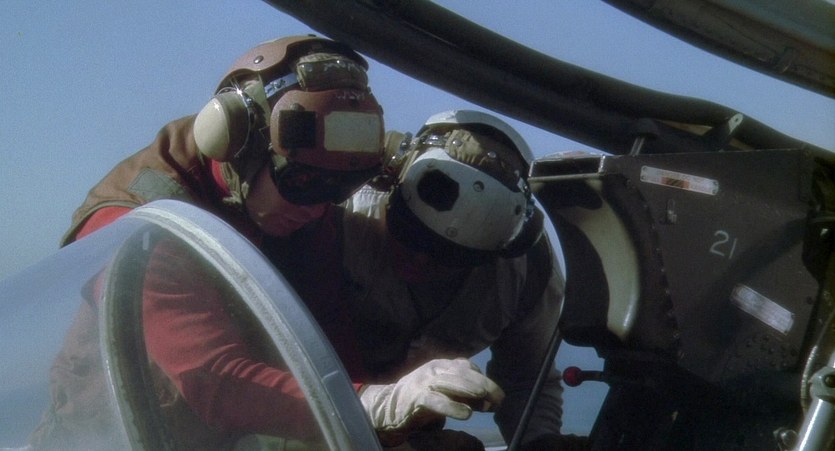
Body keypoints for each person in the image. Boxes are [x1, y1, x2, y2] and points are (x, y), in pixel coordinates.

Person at [342, 110, 582, 449]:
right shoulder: (344, 215)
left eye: (449, 255)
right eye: (410, 233)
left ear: (494, 253)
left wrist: (539, 442)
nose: (421, 260)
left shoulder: (526, 274)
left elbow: (526, 379)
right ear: (393, 188)